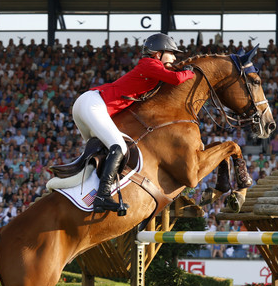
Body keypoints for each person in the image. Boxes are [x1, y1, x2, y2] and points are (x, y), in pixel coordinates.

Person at [71, 33, 195, 214]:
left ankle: (85, 192)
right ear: (157, 54)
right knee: (118, 147)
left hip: (89, 104)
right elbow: (176, 79)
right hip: (93, 104)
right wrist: (191, 71)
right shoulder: (150, 64)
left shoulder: (151, 67)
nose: (175, 57)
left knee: (103, 152)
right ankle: (102, 196)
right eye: (171, 52)